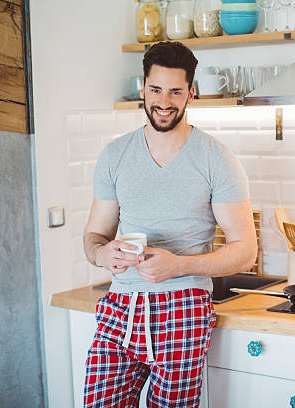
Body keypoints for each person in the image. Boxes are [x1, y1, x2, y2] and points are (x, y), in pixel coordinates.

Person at [81, 41, 257, 407]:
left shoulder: (217, 159)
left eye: (176, 91)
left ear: (192, 93)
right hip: (119, 309)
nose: (164, 101)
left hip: (183, 310)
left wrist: (180, 265)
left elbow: (245, 251)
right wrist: (102, 254)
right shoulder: (115, 155)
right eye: (156, 89)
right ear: (142, 89)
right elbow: (94, 236)